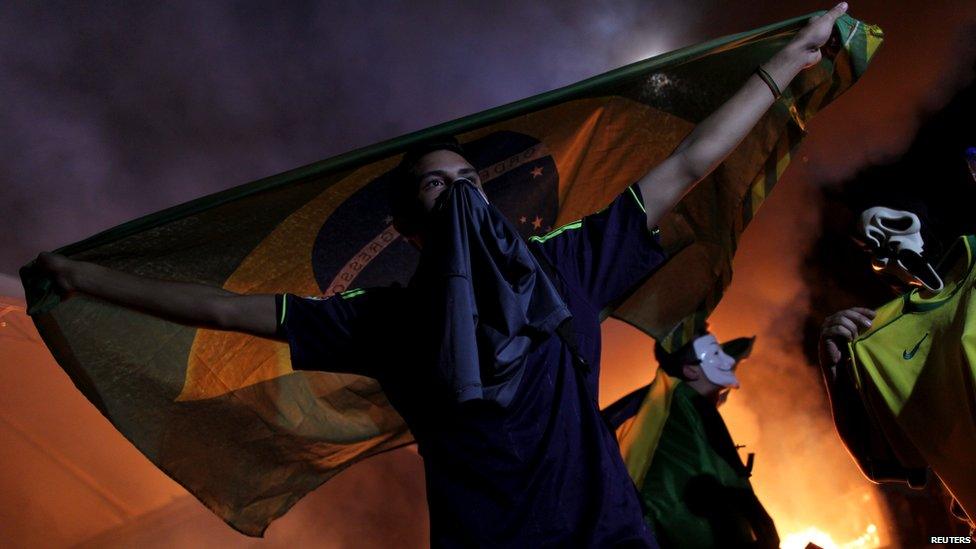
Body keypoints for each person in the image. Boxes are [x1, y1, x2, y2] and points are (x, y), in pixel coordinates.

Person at [35, 5, 847, 546]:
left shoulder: (566, 266)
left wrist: (790, 62)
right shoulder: (385, 319)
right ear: (411, 230)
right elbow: (225, 309)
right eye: (437, 187)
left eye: (469, 182)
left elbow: (691, 163)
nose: (460, 195)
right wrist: (89, 278)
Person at [818, 205, 976, 529]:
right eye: (872, 245)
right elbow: (880, 462)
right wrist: (835, 370)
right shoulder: (887, 337)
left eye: (894, 223)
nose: (889, 243)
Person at [604, 333, 779, 548]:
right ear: (690, 370)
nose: (726, 360)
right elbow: (716, 485)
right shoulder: (687, 411)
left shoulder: (676, 405)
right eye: (716, 353)